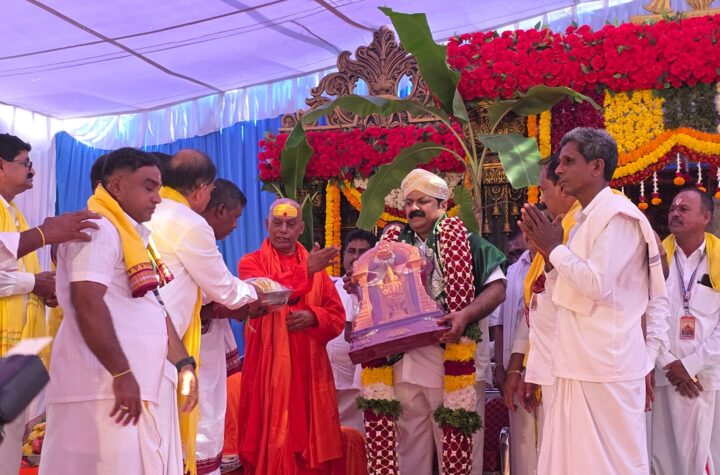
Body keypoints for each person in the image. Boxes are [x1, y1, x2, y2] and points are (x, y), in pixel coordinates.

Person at [519, 127, 669, 474]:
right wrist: (551, 256)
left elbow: (596, 284)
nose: (559, 170)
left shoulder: (618, 216)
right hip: (577, 363)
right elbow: (567, 290)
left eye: (569, 161)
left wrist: (554, 249)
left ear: (597, 166)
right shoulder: (584, 221)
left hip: (607, 369)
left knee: (613, 466)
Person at [41, 147, 198, 475]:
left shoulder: (131, 237)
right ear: (116, 186)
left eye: (159, 188)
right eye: (149, 187)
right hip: (100, 388)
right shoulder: (96, 230)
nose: (157, 198)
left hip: (122, 385)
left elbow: (154, 307)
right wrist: (121, 374)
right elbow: (87, 301)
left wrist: (183, 363)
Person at [383, 169, 506, 475]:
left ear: (442, 204)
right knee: (408, 450)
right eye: (409, 202)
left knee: (461, 448)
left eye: (422, 201)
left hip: (454, 360)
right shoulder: (392, 248)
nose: (414, 208)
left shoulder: (470, 243)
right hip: (405, 363)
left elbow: (497, 288)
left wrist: (465, 315)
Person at [148, 151, 259, 475]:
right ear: (200, 188)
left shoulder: (150, 212)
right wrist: (259, 292)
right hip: (167, 342)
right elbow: (223, 290)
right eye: (211, 189)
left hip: (152, 336)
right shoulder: (188, 222)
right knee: (178, 428)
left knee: (158, 437)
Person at [237, 198, 345, 474]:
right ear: (267, 224)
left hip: (309, 371)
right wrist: (306, 270)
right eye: (277, 223)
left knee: (309, 442)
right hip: (268, 368)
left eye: (290, 224)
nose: (283, 230)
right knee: (271, 435)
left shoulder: (318, 271)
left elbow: (336, 316)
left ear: (301, 228)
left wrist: (313, 316)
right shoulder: (251, 263)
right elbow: (266, 293)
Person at [651, 188, 720, 475]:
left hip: (704, 379)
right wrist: (669, 364)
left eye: (683, 209)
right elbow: (645, 315)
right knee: (660, 458)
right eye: (672, 209)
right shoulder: (655, 258)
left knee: (702, 459)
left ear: (706, 217)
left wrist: (690, 365)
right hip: (663, 376)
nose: (675, 214)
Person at [489, 242, 535, 475]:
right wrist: (501, 367)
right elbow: (500, 323)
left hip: (543, 370)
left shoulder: (554, 260)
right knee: (521, 447)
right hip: (513, 373)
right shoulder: (514, 271)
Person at [327, 228, 376, 433]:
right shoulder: (330, 285)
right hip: (329, 378)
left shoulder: (379, 288)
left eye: (362, 252)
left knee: (356, 434)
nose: (356, 257)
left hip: (360, 379)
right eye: (351, 251)